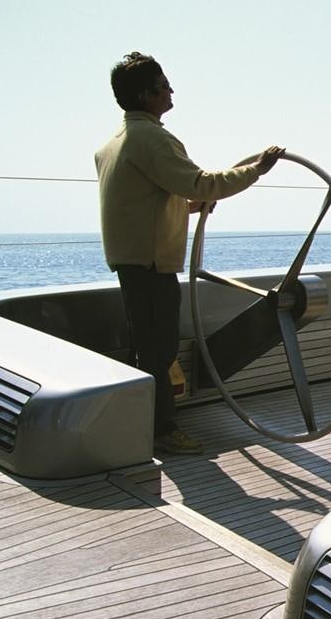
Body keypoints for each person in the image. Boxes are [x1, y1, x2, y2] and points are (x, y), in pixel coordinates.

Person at [96, 52, 284, 456]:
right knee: (159, 349)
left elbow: (143, 202)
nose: (171, 91)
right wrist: (257, 170)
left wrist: (188, 207)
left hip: (132, 260)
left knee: (146, 343)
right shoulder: (153, 139)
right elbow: (201, 183)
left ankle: (138, 423)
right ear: (147, 95)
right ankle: (160, 430)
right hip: (150, 264)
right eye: (164, 85)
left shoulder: (114, 146)